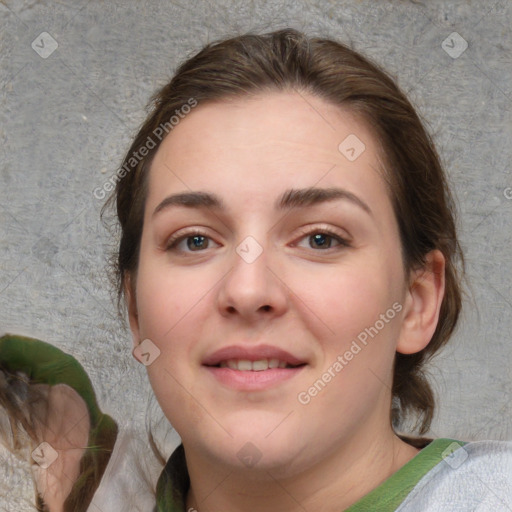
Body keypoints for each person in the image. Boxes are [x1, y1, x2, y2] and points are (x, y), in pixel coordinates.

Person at [1, 28, 511, 511]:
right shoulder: (65, 479)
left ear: (416, 302)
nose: (247, 289)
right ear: (135, 308)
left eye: (320, 238)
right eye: (195, 240)